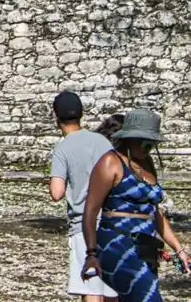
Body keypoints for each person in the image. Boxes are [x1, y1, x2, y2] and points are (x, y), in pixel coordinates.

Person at [82, 109, 191, 302]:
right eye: (144, 140)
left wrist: (179, 249)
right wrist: (91, 253)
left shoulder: (147, 163)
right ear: (130, 138)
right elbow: (90, 212)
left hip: (147, 245)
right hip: (117, 243)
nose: (148, 146)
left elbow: (154, 213)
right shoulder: (110, 162)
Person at [50, 90, 117, 302]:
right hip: (110, 222)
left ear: (56, 116)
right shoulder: (102, 142)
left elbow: (56, 193)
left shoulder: (63, 149)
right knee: (112, 289)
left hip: (82, 225)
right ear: (81, 114)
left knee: (90, 286)